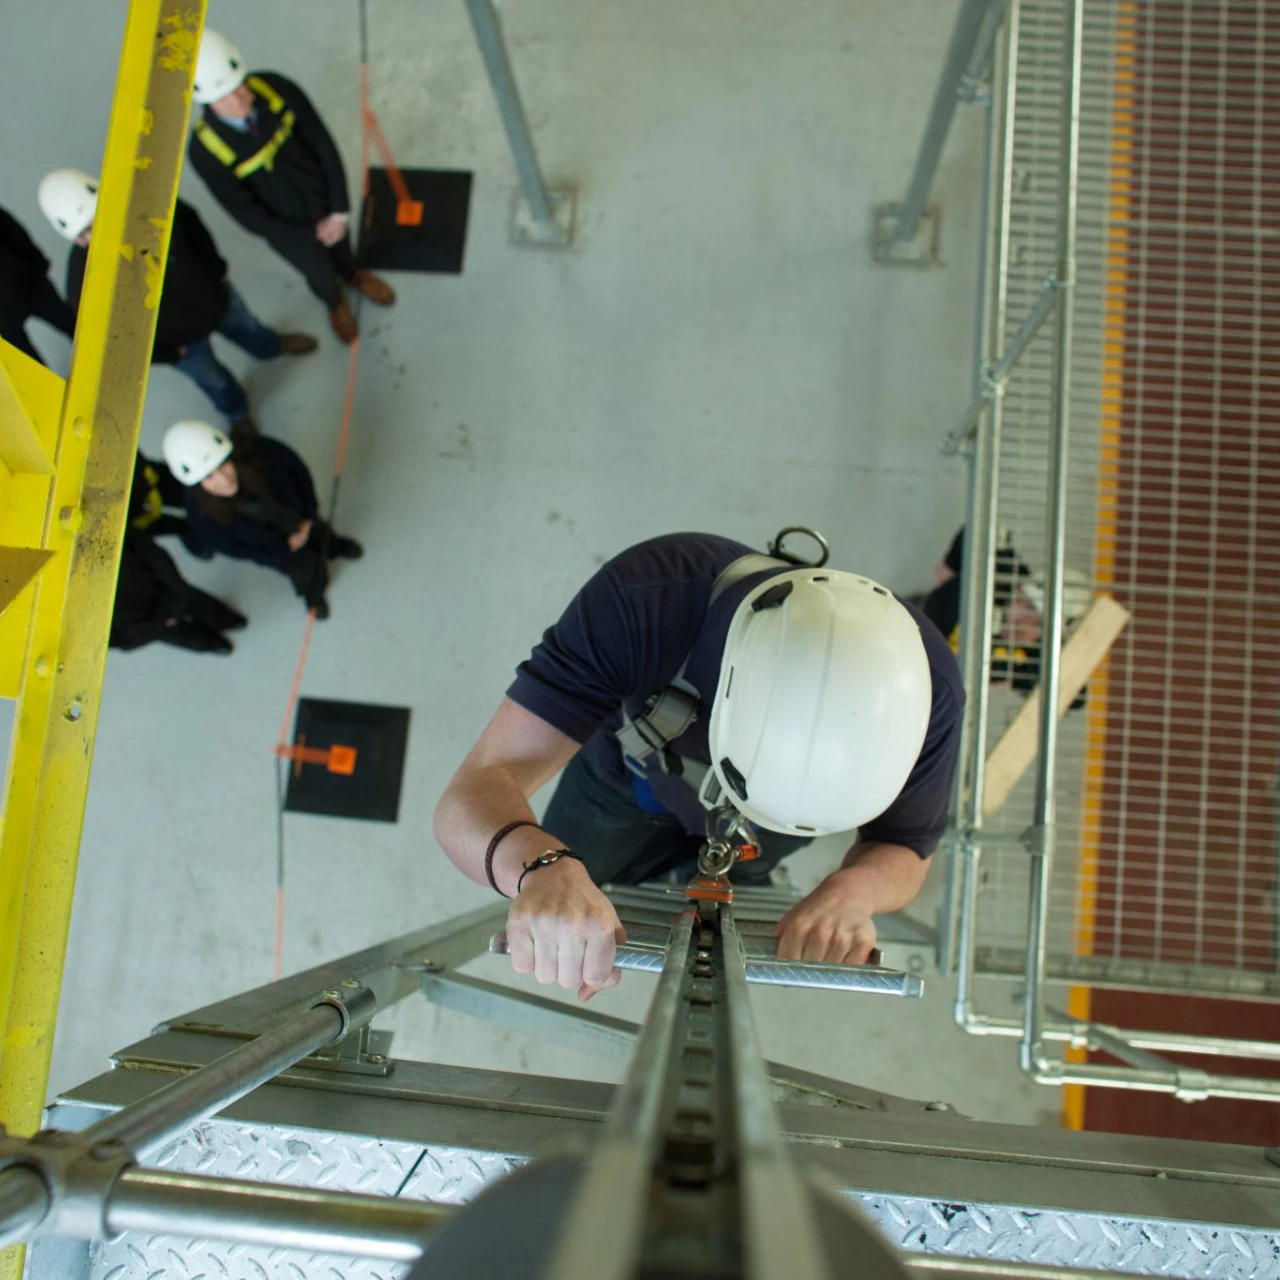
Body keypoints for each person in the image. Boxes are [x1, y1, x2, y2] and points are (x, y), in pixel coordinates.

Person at [433, 532, 965, 1000]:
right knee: (566, 886)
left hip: (765, 832)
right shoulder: (648, 599)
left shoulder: (930, 690)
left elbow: (904, 846)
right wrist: (541, 868)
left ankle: (755, 858)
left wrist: (853, 892)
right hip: (625, 781)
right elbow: (472, 794)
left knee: (742, 875)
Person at [38, 169, 317, 429]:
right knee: (214, 382)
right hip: (181, 345)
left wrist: (217, 269)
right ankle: (238, 415)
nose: (99, 233)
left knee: (249, 328)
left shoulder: (152, 207)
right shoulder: (85, 288)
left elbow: (192, 226)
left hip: (215, 299)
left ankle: (270, 347)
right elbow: (114, 341)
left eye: (98, 219)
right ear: (75, 240)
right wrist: (167, 355)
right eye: (85, 232)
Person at [188, 29, 396, 344]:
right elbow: (246, 214)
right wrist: (308, 233)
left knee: (343, 249)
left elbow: (323, 145)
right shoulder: (206, 151)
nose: (240, 100)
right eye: (224, 98)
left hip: (325, 201)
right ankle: (334, 302)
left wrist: (338, 210)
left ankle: (353, 275)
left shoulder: (276, 89)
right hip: (289, 232)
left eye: (239, 87)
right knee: (318, 272)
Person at [162, 420, 362, 619]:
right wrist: (283, 550)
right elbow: (237, 550)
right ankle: (314, 596)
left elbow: (299, 472)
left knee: (323, 534)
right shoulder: (202, 516)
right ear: (196, 484)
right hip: (279, 551)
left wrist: (309, 517)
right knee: (304, 571)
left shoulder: (262, 451)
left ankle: (336, 548)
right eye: (209, 477)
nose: (224, 480)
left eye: (223, 465)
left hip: (301, 517)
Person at [920, 527, 1091, 702]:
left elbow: (1078, 696)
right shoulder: (1004, 574)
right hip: (922, 618)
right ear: (1020, 590)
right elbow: (980, 530)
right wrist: (950, 565)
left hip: (927, 678)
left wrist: (1015, 681)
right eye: (1029, 607)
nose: (1026, 623)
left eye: (1040, 625)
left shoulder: (1033, 661)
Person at [111, 527, 245, 654]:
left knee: (193, 600)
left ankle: (223, 619)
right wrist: (129, 639)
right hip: (133, 623)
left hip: (156, 586)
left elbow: (148, 550)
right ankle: (209, 642)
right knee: (175, 634)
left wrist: (176, 585)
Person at [0, 204, 75, 365]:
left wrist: (37, 263)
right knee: (29, 364)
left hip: (25, 283)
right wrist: (37, 263)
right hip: (22, 282)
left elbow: (12, 230)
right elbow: (13, 231)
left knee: (72, 324)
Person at [129, 451, 210, 558]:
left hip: (144, 476)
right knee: (179, 526)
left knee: (192, 493)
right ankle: (204, 541)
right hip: (130, 520)